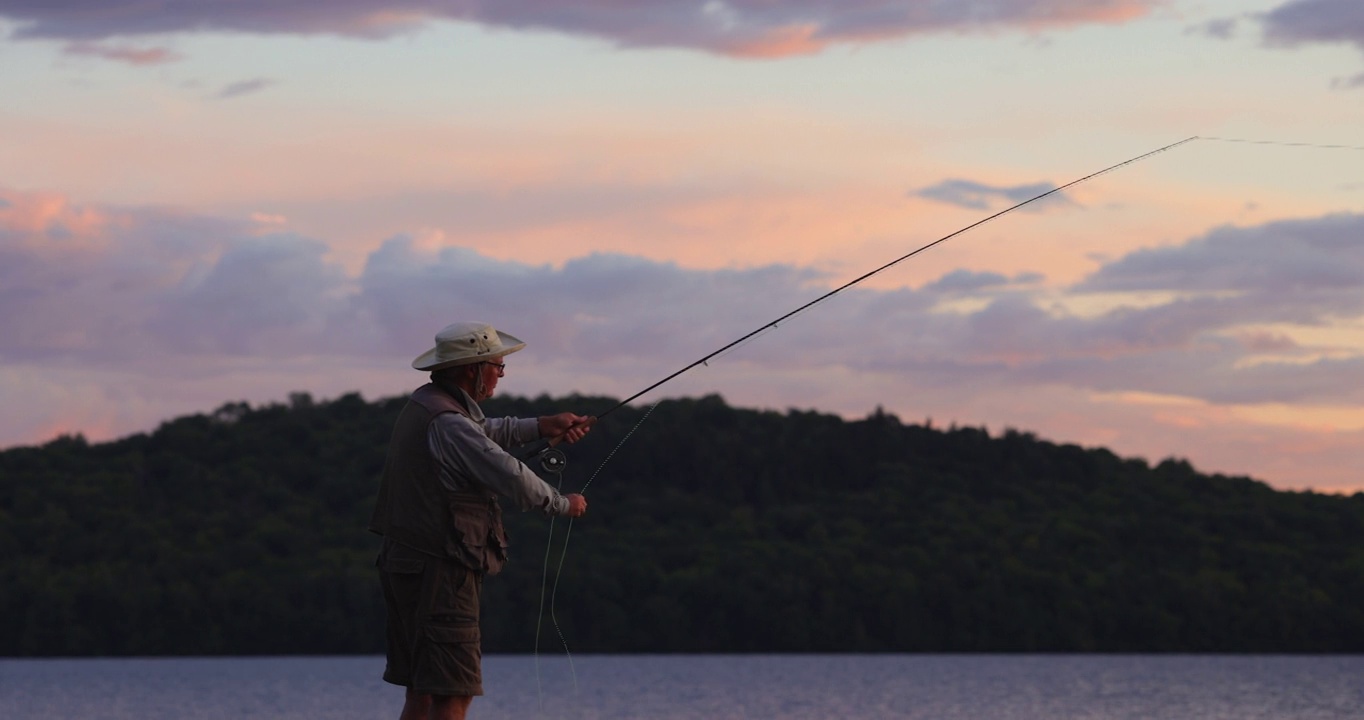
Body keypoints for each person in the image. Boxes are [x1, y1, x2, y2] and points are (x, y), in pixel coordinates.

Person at [369, 321, 592, 720]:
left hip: (407, 564)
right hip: (440, 571)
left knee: (423, 688)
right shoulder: (449, 422)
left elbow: (483, 433)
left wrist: (543, 426)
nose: (501, 374)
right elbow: (507, 472)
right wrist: (563, 504)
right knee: (454, 693)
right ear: (472, 369)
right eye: (498, 366)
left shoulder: (428, 405)